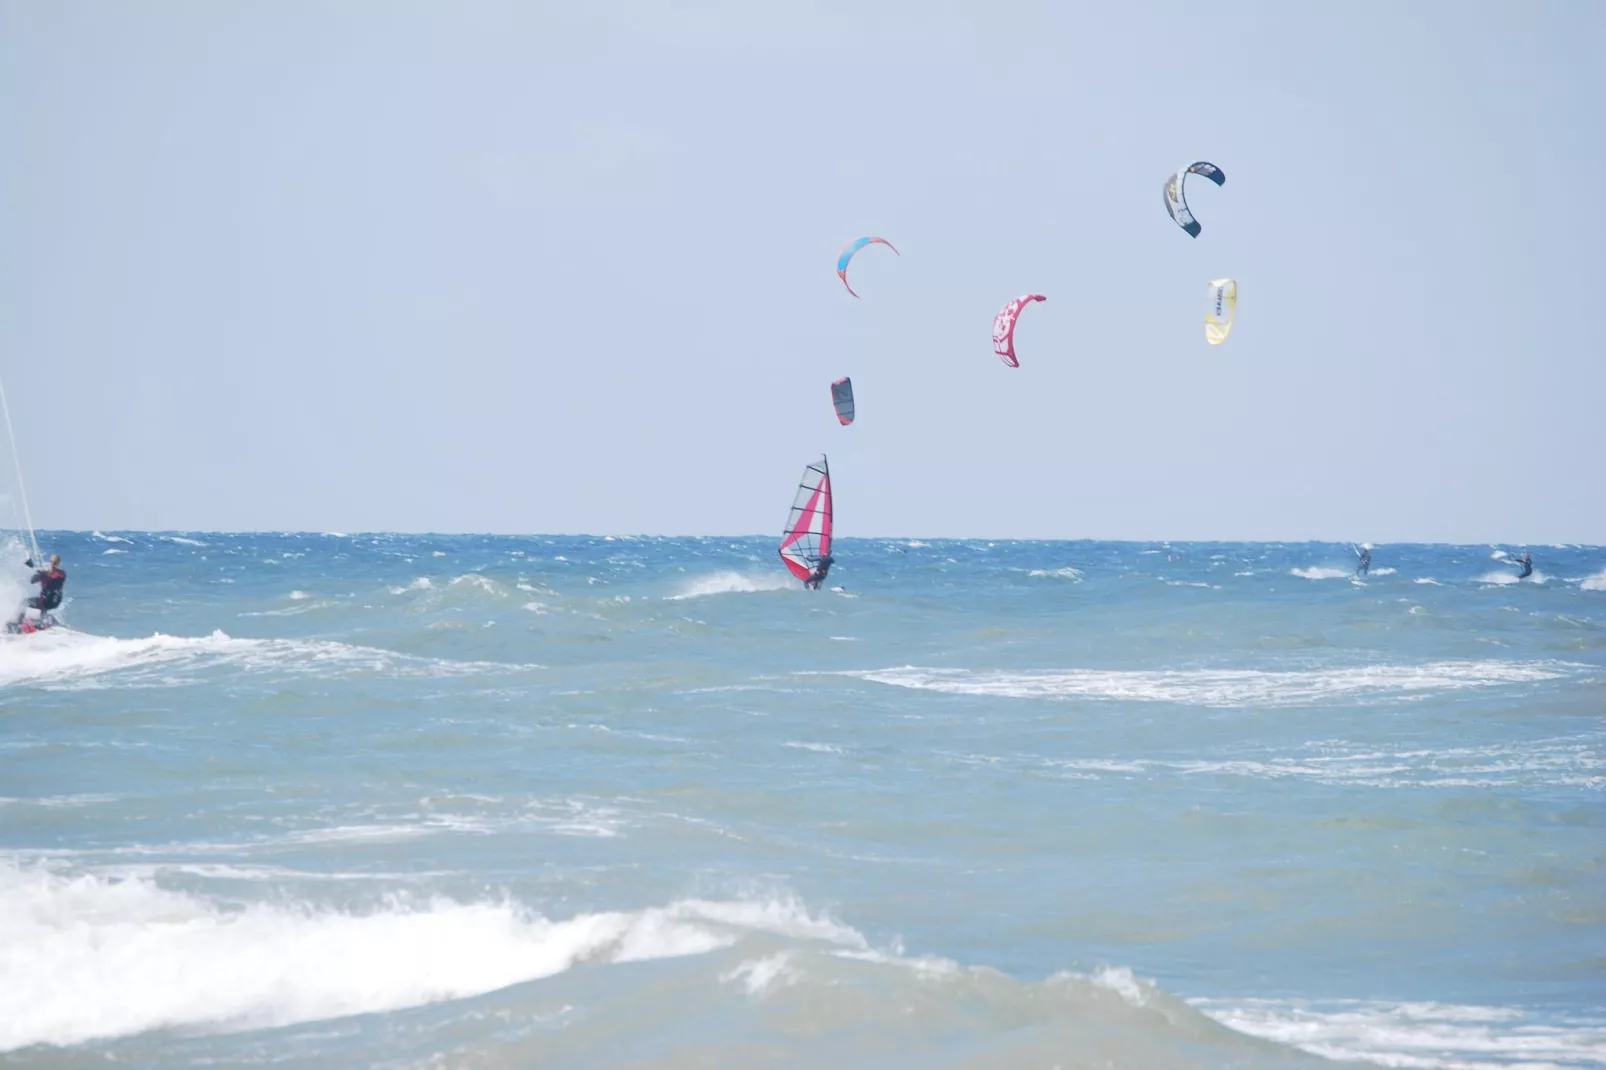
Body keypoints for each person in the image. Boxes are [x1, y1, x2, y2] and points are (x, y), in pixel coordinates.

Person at [14, 553, 66, 628]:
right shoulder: (60, 574)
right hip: (55, 601)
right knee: (42, 602)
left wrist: (33, 568)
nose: (52, 564)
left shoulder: (53, 573)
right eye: (52, 562)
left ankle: (19, 624)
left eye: (53, 562)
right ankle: (44, 619)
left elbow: (36, 579)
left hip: (48, 601)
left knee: (25, 602)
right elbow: (35, 579)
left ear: (54, 563)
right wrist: (39, 572)